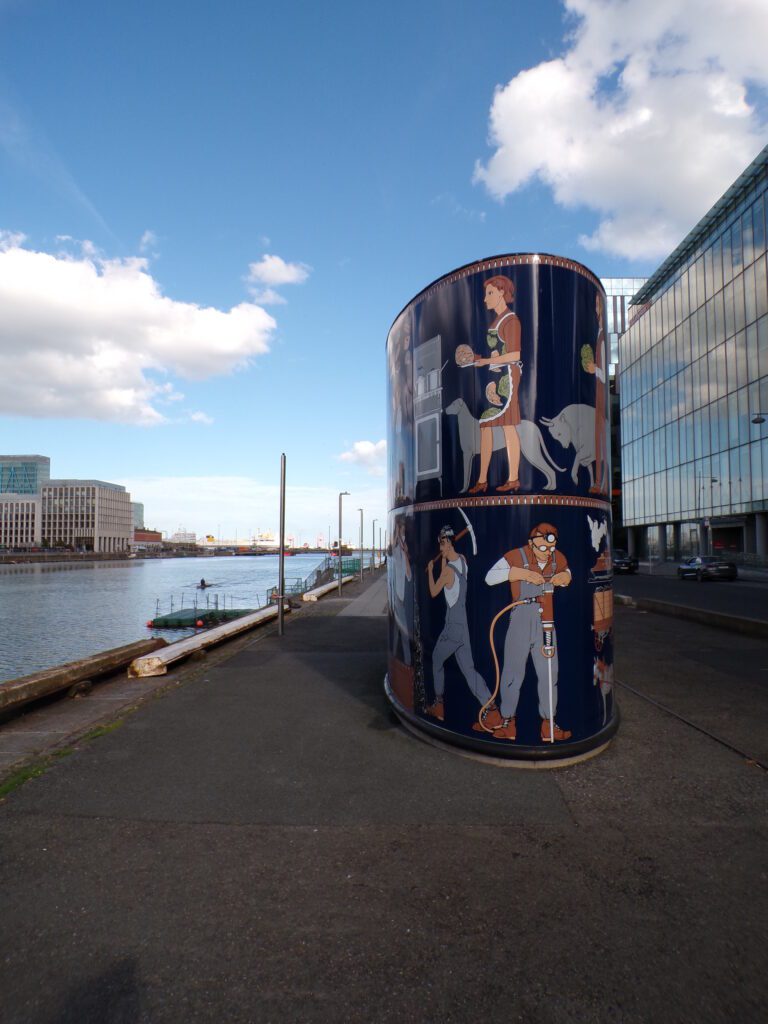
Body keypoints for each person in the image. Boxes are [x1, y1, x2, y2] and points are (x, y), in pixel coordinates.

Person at [485, 522, 572, 742]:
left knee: (549, 673)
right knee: (513, 673)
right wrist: (519, 573)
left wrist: (566, 577)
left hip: (547, 623)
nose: (547, 553)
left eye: (551, 547)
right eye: (542, 547)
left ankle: (548, 725)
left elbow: (567, 571)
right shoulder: (515, 556)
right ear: (532, 542)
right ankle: (508, 722)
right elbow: (490, 577)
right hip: (521, 618)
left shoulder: (557, 557)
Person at [424, 526, 501, 732]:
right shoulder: (463, 562)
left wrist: (431, 571)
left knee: (437, 660)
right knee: (469, 670)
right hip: (463, 624)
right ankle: (492, 710)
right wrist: (441, 560)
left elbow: (433, 591)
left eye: (442, 543)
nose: (440, 546)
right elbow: (450, 576)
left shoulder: (448, 571)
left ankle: (438, 705)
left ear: (448, 543)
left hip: (452, 626)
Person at [461, 275, 523, 494]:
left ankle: (513, 477)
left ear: (502, 293)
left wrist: (487, 361)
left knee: (508, 425)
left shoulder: (511, 320)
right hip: (495, 378)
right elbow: (497, 352)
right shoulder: (496, 321)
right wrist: (479, 358)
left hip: (508, 378)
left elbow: (515, 354)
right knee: (486, 425)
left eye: (490, 293)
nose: (485, 299)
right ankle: (482, 479)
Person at [583, 292, 609, 495]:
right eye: (597, 305)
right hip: (598, 393)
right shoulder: (599, 334)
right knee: (597, 437)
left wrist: (595, 370)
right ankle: (599, 482)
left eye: (599, 305)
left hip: (600, 392)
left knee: (600, 437)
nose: (597, 309)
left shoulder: (602, 336)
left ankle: (601, 482)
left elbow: (604, 372)